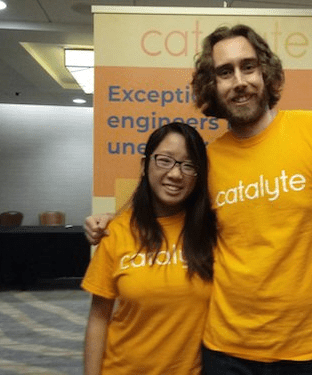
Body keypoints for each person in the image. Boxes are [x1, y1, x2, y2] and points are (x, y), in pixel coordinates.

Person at [85, 24, 312, 375]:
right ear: (212, 86)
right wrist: (110, 218)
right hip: (227, 353)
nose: (239, 81)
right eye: (225, 72)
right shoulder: (208, 162)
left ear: (266, 73)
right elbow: (161, 199)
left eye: (249, 66)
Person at [82, 122, 217, 375]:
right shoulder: (117, 232)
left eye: (188, 165)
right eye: (164, 160)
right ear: (145, 165)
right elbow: (99, 318)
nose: (176, 174)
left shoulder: (211, 234)